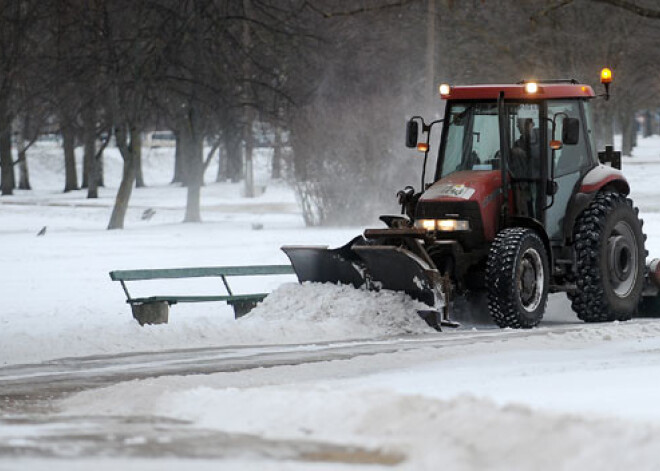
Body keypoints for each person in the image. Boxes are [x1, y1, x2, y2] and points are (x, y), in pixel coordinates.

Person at [510, 118, 540, 217]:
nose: (517, 126)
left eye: (520, 123)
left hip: (538, 183)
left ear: (530, 124)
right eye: (517, 124)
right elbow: (514, 166)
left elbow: (542, 158)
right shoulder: (517, 143)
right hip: (522, 183)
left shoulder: (542, 138)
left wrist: (523, 153)